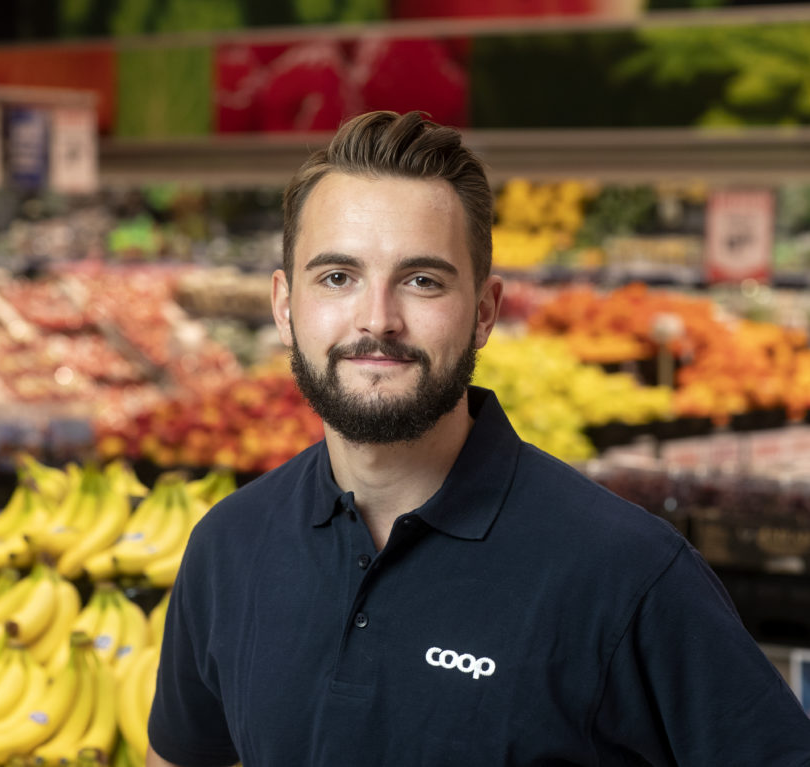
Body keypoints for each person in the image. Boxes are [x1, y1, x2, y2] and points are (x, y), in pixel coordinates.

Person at [146, 110, 810, 766]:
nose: (378, 319)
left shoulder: (628, 574)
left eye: (422, 280)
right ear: (285, 308)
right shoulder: (228, 547)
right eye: (338, 277)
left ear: (485, 312)